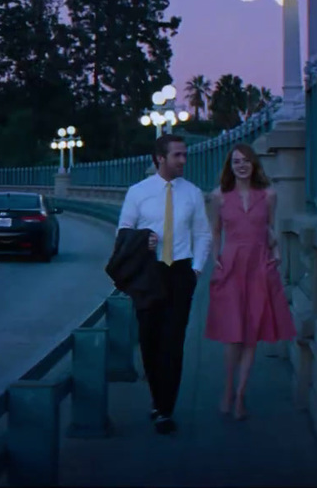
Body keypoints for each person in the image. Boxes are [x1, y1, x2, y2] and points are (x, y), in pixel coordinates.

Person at [117, 134, 212, 434]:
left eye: (185, 155)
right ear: (160, 158)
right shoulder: (138, 192)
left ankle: (165, 409)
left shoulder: (192, 193)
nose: (183, 161)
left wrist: (196, 269)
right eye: (177, 156)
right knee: (149, 340)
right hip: (149, 274)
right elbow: (123, 231)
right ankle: (157, 399)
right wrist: (143, 239)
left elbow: (203, 234)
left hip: (180, 273)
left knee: (173, 343)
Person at [203, 143, 296, 421]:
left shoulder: (269, 195)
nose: (241, 165)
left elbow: (270, 229)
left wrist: (276, 252)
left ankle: (241, 396)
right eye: (235, 162)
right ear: (230, 167)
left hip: (259, 265)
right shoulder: (218, 196)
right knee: (233, 335)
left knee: (252, 334)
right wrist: (214, 261)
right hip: (230, 265)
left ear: (254, 164)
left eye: (245, 161)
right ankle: (228, 389)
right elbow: (214, 232)